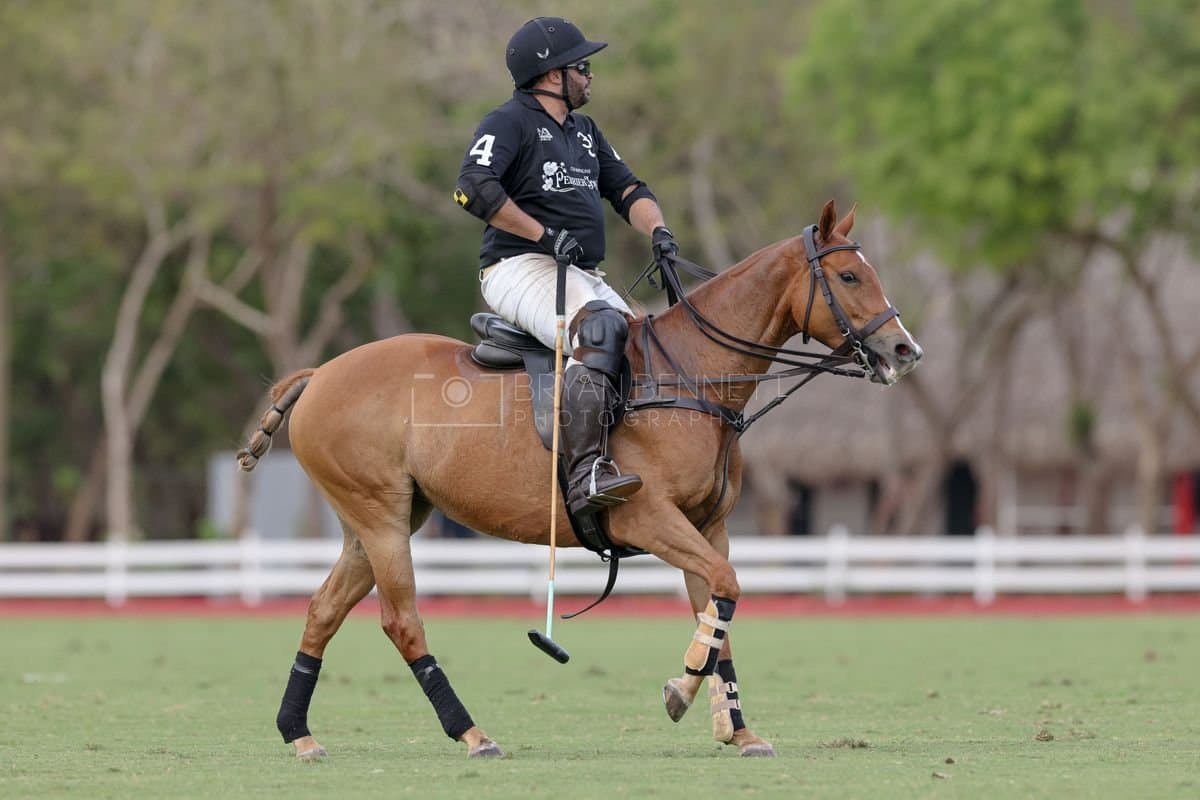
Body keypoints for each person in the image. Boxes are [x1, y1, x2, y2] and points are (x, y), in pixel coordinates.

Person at [454, 16, 679, 516]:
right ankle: (584, 476)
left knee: (650, 343)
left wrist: (659, 232)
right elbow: (472, 186)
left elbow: (627, 189)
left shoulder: (584, 131)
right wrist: (543, 234)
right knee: (599, 329)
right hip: (518, 266)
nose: (590, 75)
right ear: (554, 75)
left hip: (575, 272)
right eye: (583, 66)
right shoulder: (507, 122)